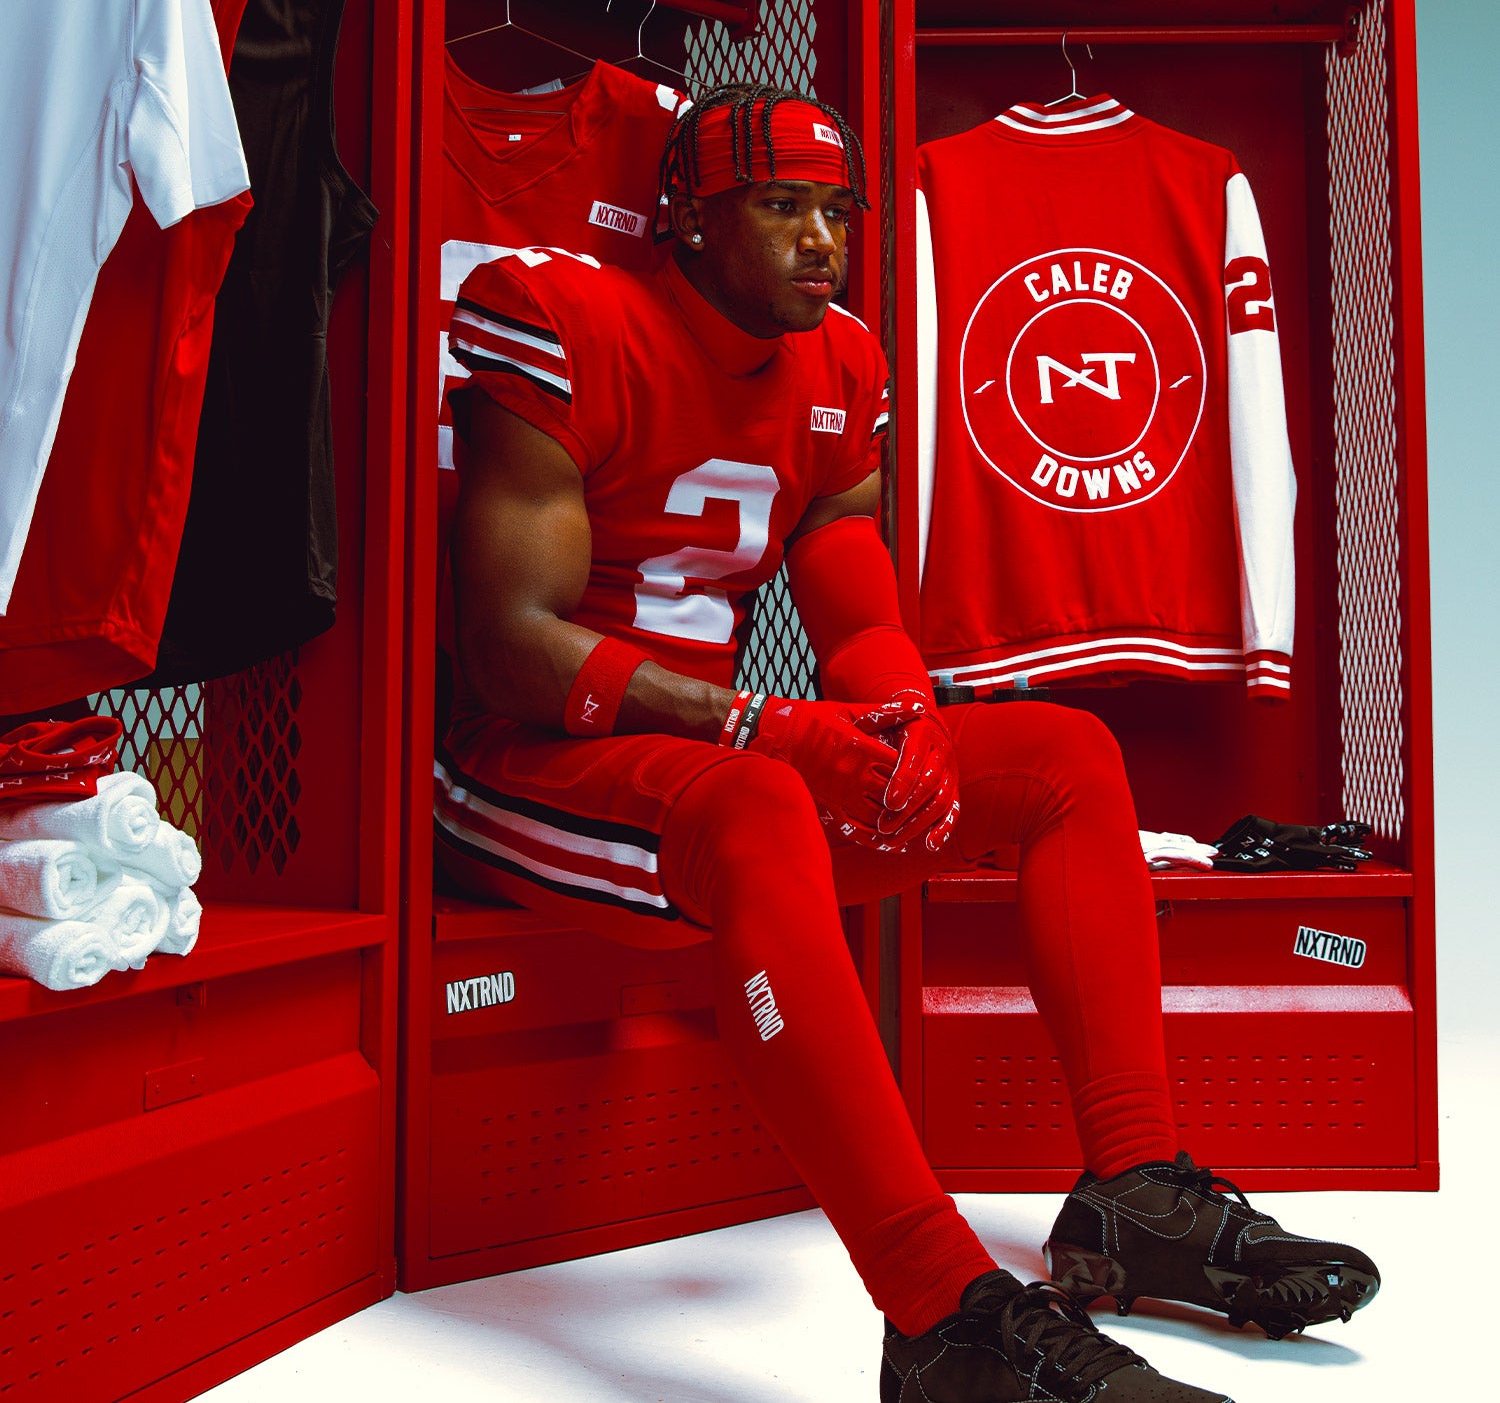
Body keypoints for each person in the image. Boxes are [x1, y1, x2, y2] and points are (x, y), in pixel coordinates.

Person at [435, 82, 1378, 1402]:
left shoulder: (841, 362)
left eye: (837, 211)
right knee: (760, 801)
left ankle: (1133, 1191)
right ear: (690, 219)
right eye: (782, 206)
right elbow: (510, 646)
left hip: (710, 771)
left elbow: (855, 596)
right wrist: (764, 725)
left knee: (1062, 758)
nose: (822, 240)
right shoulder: (564, 316)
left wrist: (905, 725)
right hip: (525, 766)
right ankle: (939, 1312)